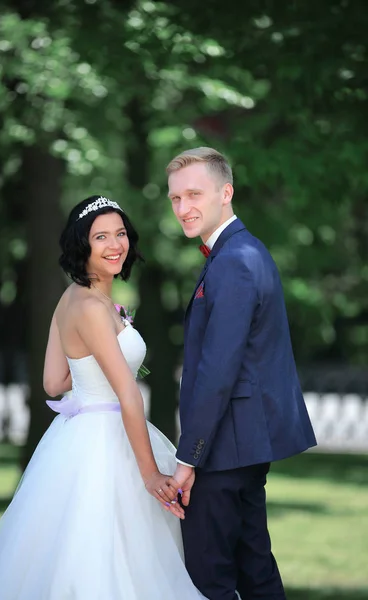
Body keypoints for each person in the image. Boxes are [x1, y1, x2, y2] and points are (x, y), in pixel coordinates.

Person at [0, 196, 206, 600]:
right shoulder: (92, 307)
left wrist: (93, 372)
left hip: (79, 434)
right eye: (101, 237)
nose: (116, 244)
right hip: (107, 444)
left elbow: (53, 381)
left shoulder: (73, 299)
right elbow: (128, 395)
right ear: (82, 245)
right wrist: (150, 475)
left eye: (120, 234)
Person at [166, 147, 317, 600]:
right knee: (254, 570)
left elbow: (218, 369)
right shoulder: (243, 252)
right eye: (175, 199)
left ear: (226, 192)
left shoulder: (234, 260)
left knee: (208, 576)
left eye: (194, 194)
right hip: (243, 444)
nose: (183, 208)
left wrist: (189, 456)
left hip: (224, 448)